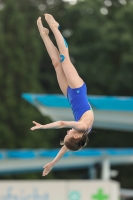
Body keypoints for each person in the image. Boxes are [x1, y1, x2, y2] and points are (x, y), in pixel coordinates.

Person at [30, 14, 94, 176]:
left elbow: (66, 147)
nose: (67, 132)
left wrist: (53, 163)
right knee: (64, 59)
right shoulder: (83, 127)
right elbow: (60, 123)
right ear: (77, 135)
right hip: (78, 89)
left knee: (56, 64)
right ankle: (55, 28)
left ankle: (44, 34)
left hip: (69, 95)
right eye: (69, 134)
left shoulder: (79, 134)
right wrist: (43, 126)